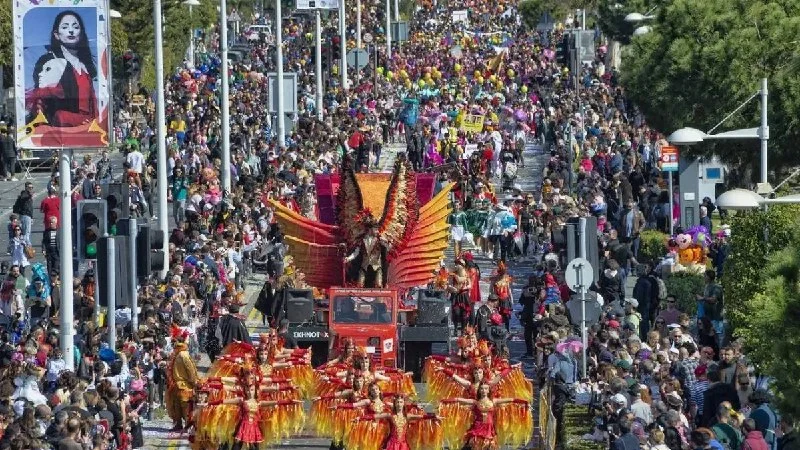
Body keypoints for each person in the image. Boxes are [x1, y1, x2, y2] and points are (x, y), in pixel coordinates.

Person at [26, 11, 98, 127]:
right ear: (56, 34)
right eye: (65, 27)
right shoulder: (49, 61)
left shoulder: (85, 68)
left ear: (81, 33)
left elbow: (92, 106)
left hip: (86, 129)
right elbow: (41, 103)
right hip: (60, 128)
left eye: (75, 27)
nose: (71, 31)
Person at [165, 330, 199, 431]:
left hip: (180, 385)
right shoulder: (181, 354)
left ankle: (185, 425)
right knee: (181, 407)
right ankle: (181, 425)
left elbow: (190, 370)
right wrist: (194, 382)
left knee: (182, 407)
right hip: (181, 385)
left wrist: (194, 382)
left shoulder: (179, 354)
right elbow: (191, 370)